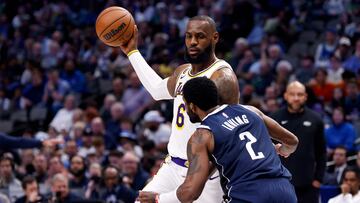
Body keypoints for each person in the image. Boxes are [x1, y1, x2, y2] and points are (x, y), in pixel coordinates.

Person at [119, 15, 239, 202]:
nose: (193, 42)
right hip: (173, 166)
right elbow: (157, 90)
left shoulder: (222, 77)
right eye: (188, 36)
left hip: (206, 175)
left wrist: (198, 179)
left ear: (214, 38)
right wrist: (133, 52)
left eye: (200, 36)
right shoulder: (183, 71)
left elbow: (229, 133)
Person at [138, 77, 298, 202]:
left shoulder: (201, 136)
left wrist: (158, 199)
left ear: (192, 106)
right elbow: (292, 142)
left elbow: (190, 193)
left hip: (248, 194)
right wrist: (279, 150)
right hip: (283, 190)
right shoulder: (250, 111)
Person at [271, 81, 327, 203]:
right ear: (286, 95)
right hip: (280, 183)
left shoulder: (316, 119)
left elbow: (321, 152)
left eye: (300, 94)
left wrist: (318, 179)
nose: (296, 98)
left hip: (308, 184)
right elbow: (268, 149)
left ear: (305, 97)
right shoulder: (274, 118)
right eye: (292, 94)